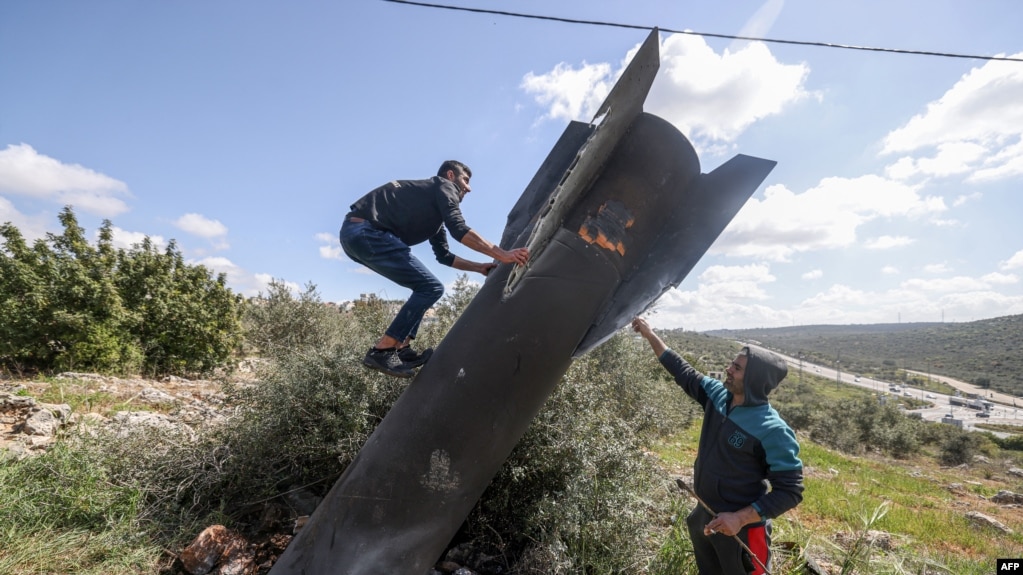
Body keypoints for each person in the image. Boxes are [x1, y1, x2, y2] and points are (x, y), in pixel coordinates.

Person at [631, 317, 803, 575]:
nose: (729, 369)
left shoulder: (772, 430)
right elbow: (682, 370)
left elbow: (790, 491)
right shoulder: (718, 396)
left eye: (737, 367)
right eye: (732, 363)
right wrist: (650, 335)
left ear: (754, 379)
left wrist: (740, 518)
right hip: (705, 515)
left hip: (742, 531)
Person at [341, 160, 529, 378]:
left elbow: (444, 256)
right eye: (465, 181)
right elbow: (459, 228)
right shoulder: (443, 185)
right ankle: (383, 350)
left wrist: (479, 268)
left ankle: (402, 349)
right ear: (450, 175)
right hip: (366, 231)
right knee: (430, 287)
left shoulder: (433, 213)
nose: (468, 188)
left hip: (355, 237)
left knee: (425, 287)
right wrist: (503, 254)